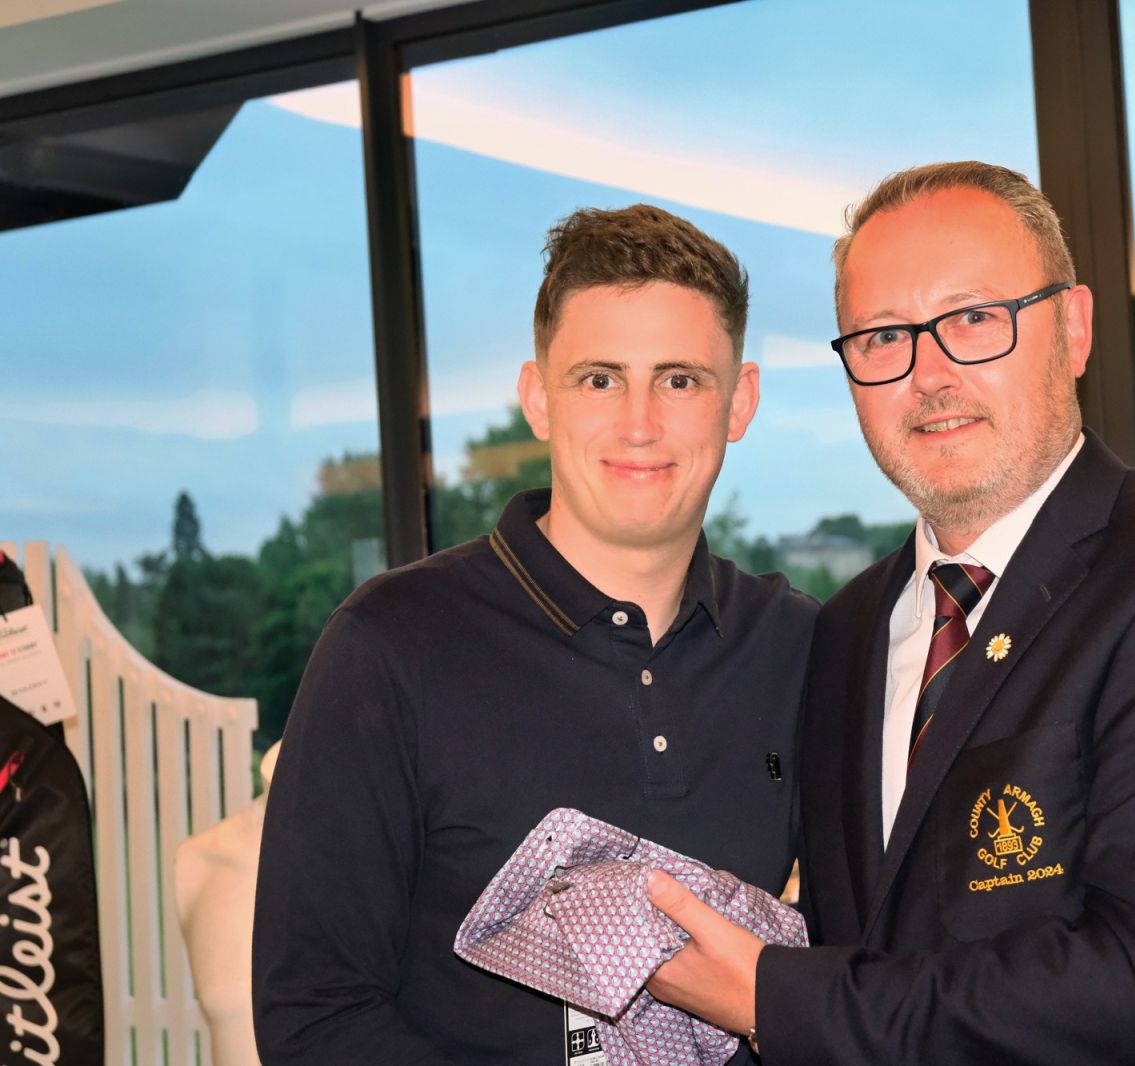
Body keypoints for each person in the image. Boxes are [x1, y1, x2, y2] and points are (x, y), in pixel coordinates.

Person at [643, 161, 1135, 1064]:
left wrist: (773, 996)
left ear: (1073, 329)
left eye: (974, 318)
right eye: (884, 336)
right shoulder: (846, 632)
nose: (929, 375)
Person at [253, 204, 816, 1065]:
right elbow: (314, 1017)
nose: (639, 423)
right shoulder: (388, 646)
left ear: (738, 403)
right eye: (599, 380)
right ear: (537, 398)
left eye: (679, 380)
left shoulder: (803, 649)